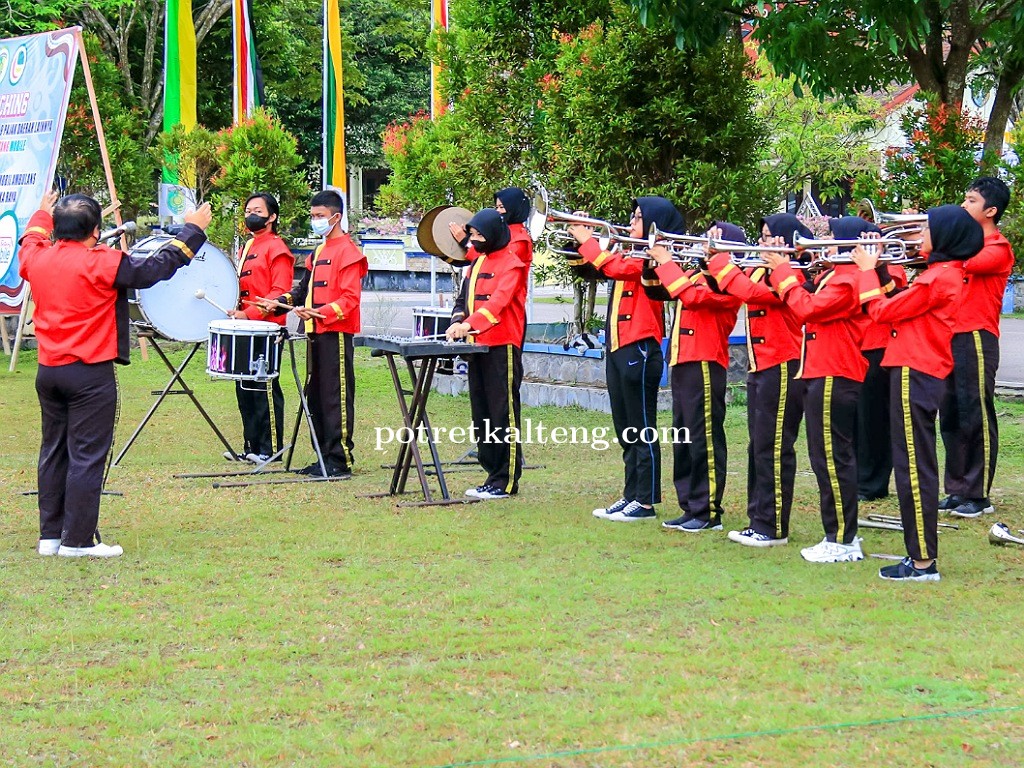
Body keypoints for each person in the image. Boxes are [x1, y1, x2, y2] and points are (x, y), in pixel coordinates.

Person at [19, 191, 212, 557]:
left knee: (54, 452)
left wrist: (42, 215)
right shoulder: (102, 262)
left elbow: (30, 239)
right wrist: (192, 230)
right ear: (95, 230)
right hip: (89, 373)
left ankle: (51, 536)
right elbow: (154, 269)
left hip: (49, 371)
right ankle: (77, 541)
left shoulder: (37, 259)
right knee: (87, 455)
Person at [853, 205, 984, 582]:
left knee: (913, 467)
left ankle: (923, 561)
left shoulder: (938, 279)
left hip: (916, 370)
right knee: (914, 464)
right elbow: (900, 304)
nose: (918, 236)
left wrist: (865, 273)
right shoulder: (939, 274)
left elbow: (880, 312)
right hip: (917, 369)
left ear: (945, 238)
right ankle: (919, 557)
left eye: (926, 230)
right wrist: (879, 268)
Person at [762, 216, 872, 563]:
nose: (821, 243)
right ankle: (840, 535)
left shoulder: (848, 279)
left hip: (834, 373)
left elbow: (807, 309)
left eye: (829, 238)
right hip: (823, 371)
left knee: (832, 459)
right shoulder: (833, 276)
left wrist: (783, 273)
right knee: (825, 458)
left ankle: (841, 538)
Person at [708, 214, 809, 544]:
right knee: (758, 447)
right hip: (761, 366)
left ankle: (773, 526)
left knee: (774, 448)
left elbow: (749, 292)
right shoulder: (763, 268)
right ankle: (759, 518)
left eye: (768, 237)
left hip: (781, 365)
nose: (761, 243)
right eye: (761, 236)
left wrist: (718, 258)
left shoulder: (790, 272)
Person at [568, 197, 669, 522]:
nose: (631, 221)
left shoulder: (651, 257)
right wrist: (577, 237)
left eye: (638, 217)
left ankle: (646, 501)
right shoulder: (626, 250)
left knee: (642, 426)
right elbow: (590, 269)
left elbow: (614, 267)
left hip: (639, 346)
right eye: (632, 215)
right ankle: (631, 494)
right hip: (618, 345)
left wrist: (589, 240)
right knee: (625, 427)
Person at [648, 223, 743, 533]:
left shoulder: (727, 281)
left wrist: (665, 261)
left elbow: (688, 297)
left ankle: (708, 510)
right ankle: (690, 505)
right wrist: (654, 260)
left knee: (704, 437)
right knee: (682, 436)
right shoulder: (698, 273)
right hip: (683, 358)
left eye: (715, 238)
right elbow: (661, 289)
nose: (706, 241)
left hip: (705, 359)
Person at [267, 189, 366, 478]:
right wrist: (277, 303)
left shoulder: (348, 252)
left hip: (334, 332)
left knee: (335, 396)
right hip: (313, 333)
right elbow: (303, 290)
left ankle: (340, 458)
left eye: (320, 217)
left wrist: (321, 312)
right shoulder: (319, 251)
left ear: (336, 217)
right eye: (312, 216)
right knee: (316, 396)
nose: (315, 221)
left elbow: (350, 299)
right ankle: (322, 456)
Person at [939, 177, 1014, 518]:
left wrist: (936, 241)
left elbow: (960, 263)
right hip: (948, 335)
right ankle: (956, 489)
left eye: (970, 200)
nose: (963, 205)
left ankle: (978, 494)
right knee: (951, 414)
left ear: (991, 211)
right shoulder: (959, 243)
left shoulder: (997, 247)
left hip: (977, 337)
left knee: (975, 415)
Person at [445, 208, 527, 499]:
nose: (475, 240)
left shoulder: (513, 264)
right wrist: (457, 321)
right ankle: (491, 473)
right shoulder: (477, 261)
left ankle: (505, 479)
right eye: (473, 235)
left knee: (502, 412)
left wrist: (469, 324)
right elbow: (463, 298)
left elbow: (497, 304)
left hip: (501, 345)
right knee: (481, 414)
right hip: (476, 345)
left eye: (479, 235)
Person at [225, 192, 295, 463]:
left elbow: (280, 291)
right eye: (247, 210)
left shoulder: (277, 249)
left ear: (272, 216)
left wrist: (250, 313)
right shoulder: (248, 247)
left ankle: (271, 449)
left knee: (265, 388)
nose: (250, 215)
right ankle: (251, 447)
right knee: (245, 388)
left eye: (257, 210)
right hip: (245, 326)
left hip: (266, 328)